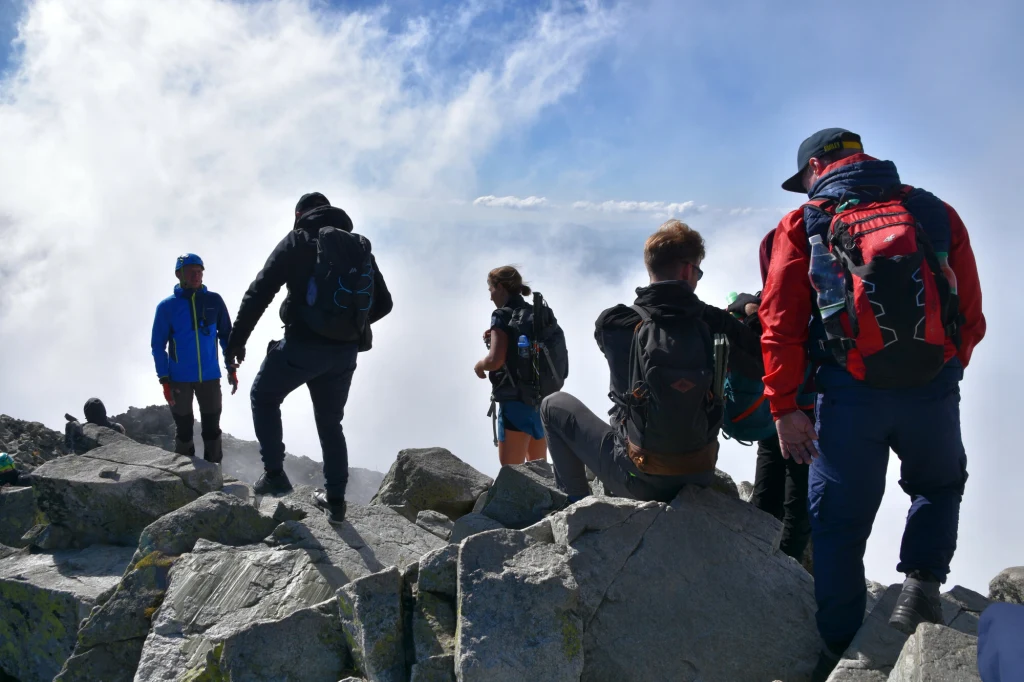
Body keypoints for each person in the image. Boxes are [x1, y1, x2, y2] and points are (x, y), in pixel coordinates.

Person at [760, 128, 986, 680]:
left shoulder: (802, 223)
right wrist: (942, 369)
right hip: (930, 385)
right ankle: (919, 590)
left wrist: (785, 405)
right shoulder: (933, 211)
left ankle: (840, 646)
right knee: (937, 484)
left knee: (837, 520)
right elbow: (971, 312)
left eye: (805, 179)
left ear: (817, 166)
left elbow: (780, 321)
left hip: (848, 392)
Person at [540, 220, 761, 503]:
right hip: (699, 474)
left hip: (639, 480)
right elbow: (762, 361)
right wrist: (750, 310)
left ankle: (578, 506)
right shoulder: (714, 323)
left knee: (552, 405)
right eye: (699, 271)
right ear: (686, 269)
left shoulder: (614, 322)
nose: (698, 278)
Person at [225, 192, 393, 525]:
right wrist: (345, 325)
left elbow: (261, 290)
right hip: (344, 354)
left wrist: (236, 341)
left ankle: (274, 473)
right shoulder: (358, 246)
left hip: (302, 346)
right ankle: (335, 501)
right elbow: (384, 303)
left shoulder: (299, 239)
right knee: (331, 424)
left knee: (264, 395)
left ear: (300, 213)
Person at [725, 288, 813, 563]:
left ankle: (754, 552)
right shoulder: (817, 288)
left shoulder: (761, 297)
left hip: (771, 406)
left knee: (772, 470)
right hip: (806, 405)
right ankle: (788, 562)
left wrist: (751, 307)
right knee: (799, 489)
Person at [151, 253, 235, 463]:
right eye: (191, 272)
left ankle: (214, 471)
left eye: (200, 271)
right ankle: (184, 474)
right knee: (184, 428)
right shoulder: (167, 307)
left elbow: (227, 336)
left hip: (209, 376)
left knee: (212, 428)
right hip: (179, 378)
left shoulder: (214, 301)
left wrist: (231, 367)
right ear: (179, 274)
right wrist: (164, 379)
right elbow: (157, 345)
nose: (197, 275)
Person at [474, 266, 555, 466]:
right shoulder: (536, 312)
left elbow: (495, 361)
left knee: (513, 472)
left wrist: (479, 365)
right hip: (541, 398)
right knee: (540, 468)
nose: (490, 297)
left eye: (491, 290)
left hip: (515, 402)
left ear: (500, 287)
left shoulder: (501, 316)